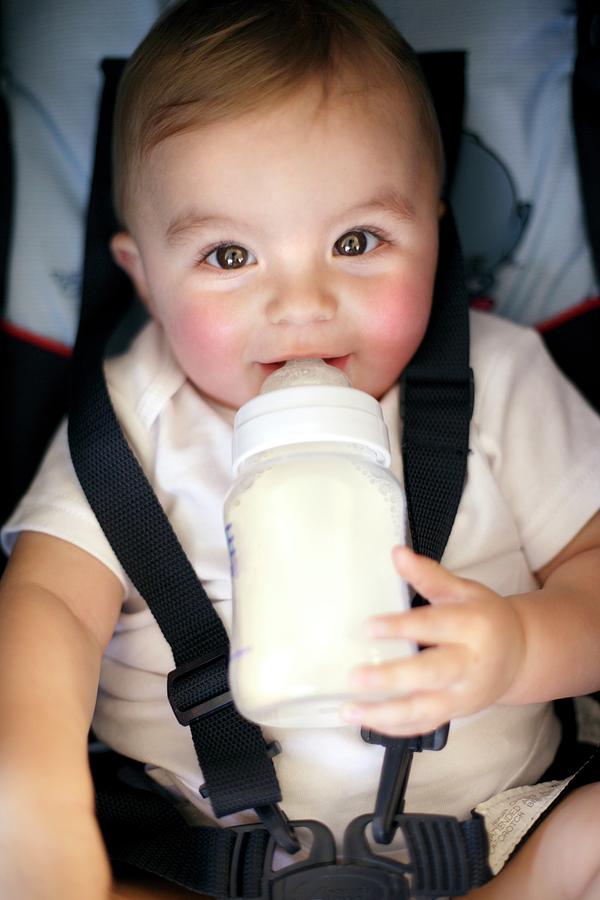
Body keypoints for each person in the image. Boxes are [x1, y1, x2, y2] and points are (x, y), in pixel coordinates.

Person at [1, 1, 600, 898]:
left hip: (497, 842)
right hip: (192, 857)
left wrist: (520, 648)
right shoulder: (133, 420)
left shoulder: (498, 383)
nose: (302, 305)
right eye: (229, 255)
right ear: (144, 277)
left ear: (437, 236)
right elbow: (47, 603)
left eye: (356, 243)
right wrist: (34, 787)